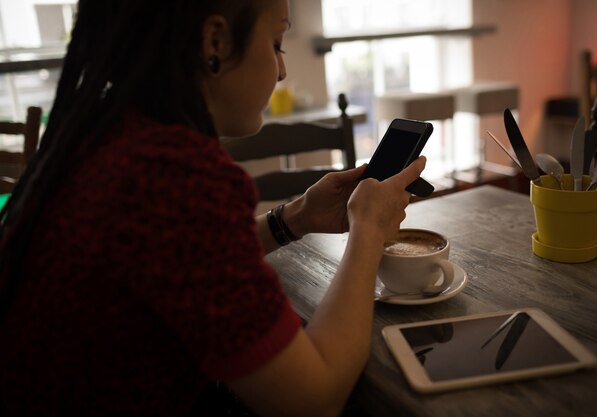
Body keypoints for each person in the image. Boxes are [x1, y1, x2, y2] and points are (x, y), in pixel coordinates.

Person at [0, 1, 427, 416]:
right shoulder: (170, 173)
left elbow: (177, 260)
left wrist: (295, 217)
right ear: (216, 40)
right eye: (277, 42)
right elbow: (313, 399)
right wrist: (368, 229)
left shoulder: (105, 130)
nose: (282, 70)